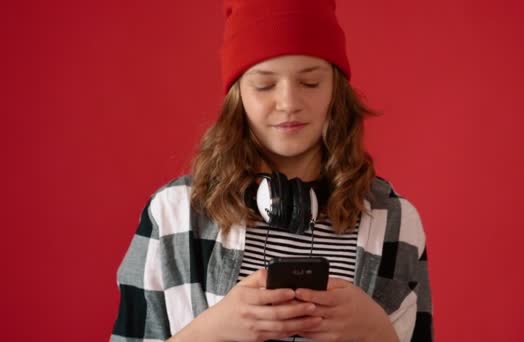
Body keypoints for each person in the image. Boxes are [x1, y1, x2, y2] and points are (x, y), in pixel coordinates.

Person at [111, 0, 433, 341]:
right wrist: (211, 333)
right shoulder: (173, 213)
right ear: (238, 97)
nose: (289, 102)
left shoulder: (397, 222)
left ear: (336, 92)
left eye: (310, 83)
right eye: (264, 85)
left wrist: (379, 334)